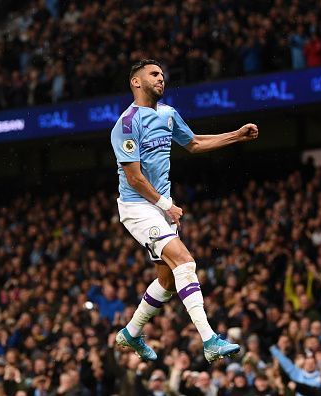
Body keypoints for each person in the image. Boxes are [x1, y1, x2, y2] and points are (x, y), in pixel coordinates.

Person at [110, 59, 259, 362]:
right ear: (135, 82)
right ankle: (210, 340)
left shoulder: (168, 114)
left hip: (161, 207)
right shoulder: (126, 124)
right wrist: (166, 204)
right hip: (139, 208)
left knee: (166, 282)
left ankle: (131, 333)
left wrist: (236, 136)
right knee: (185, 262)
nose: (161, 78)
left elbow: (192, 143)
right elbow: (134, 178)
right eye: (153, 74)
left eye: (162, 75)